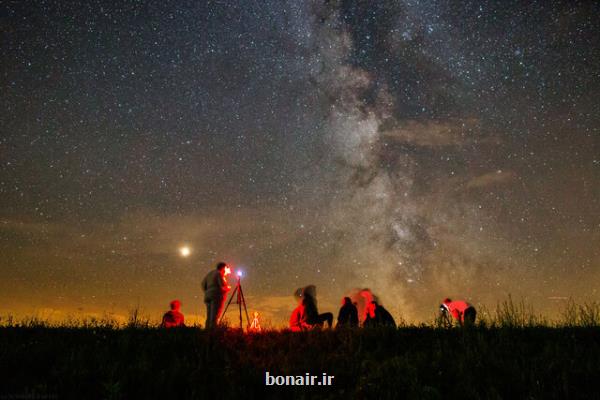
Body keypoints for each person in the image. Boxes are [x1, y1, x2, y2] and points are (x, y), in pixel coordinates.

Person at [201, 262, 231, 329]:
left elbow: (202, 284)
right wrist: (227, 288)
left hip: (207, 296)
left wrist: (207, 291)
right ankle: (213, 333)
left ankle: (207, 331)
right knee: (215, 316)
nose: (227, 270)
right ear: (223, 267)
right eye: (226, 268)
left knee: (209, 316)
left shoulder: (209, 274)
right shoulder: (219, 273)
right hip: (216, 296)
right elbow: (222, 286)